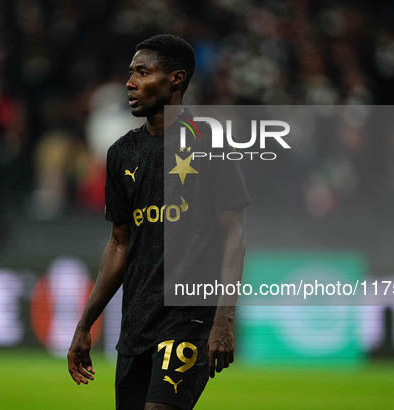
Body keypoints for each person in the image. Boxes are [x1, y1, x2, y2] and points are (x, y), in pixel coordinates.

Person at [67, 34, 249, 410]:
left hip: (188, 318)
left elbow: (234, 234)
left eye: (143, 72)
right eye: (131, 73)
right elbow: (119, 243)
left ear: (176, 80)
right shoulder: (121, 154)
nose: (130, 83)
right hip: (136, 324)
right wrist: (86, 324)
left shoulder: (210, 143)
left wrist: (223, 320)